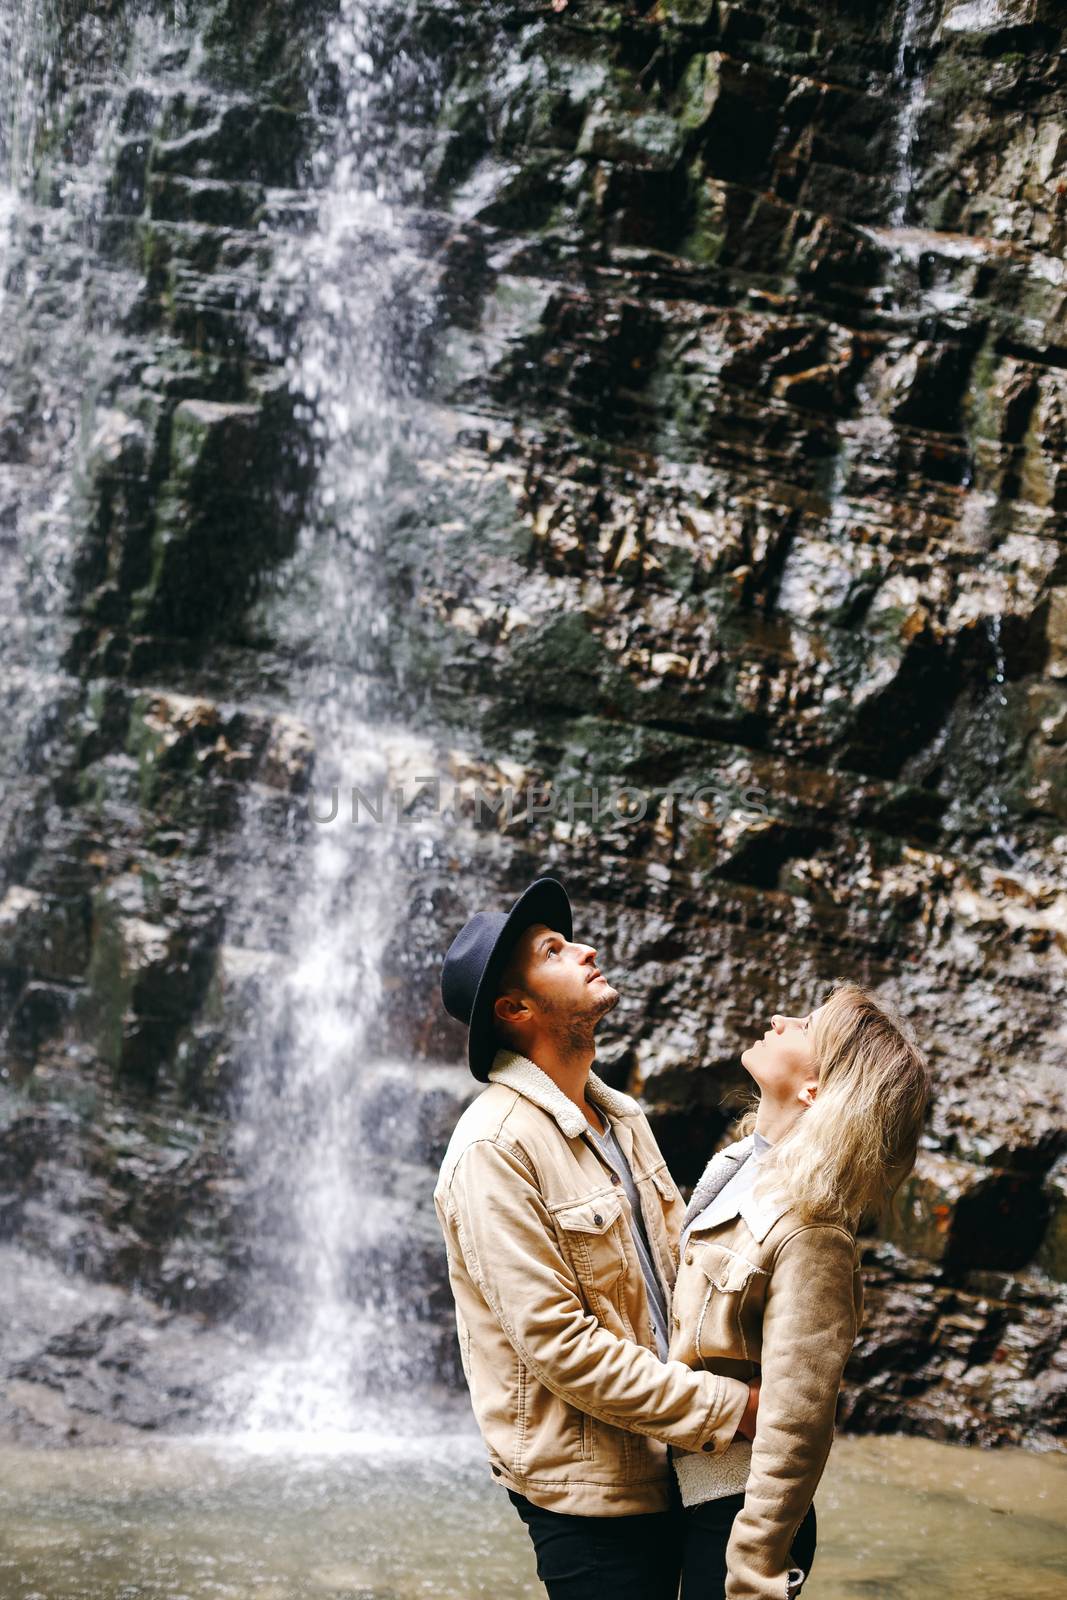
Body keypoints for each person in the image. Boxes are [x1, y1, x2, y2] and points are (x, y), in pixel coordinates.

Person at [433, 874, 761, 1600]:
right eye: (554, 950)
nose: (584, 950)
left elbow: (680, 1281)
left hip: (683, 1456)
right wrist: (730, 1409)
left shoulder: (621, 1118)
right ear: (514, 1010)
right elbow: (558, 1346)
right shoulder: (494, 1147)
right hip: (590, 1494)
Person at [669, 986, 930, 1600]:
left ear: (814, 1090)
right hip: (681, 1493)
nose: (779, 1018)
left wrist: (755, 1570)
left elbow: (797, 1425)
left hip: (732, 1512)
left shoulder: (812, 1232)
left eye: (805, 1025)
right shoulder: (737, 1171)